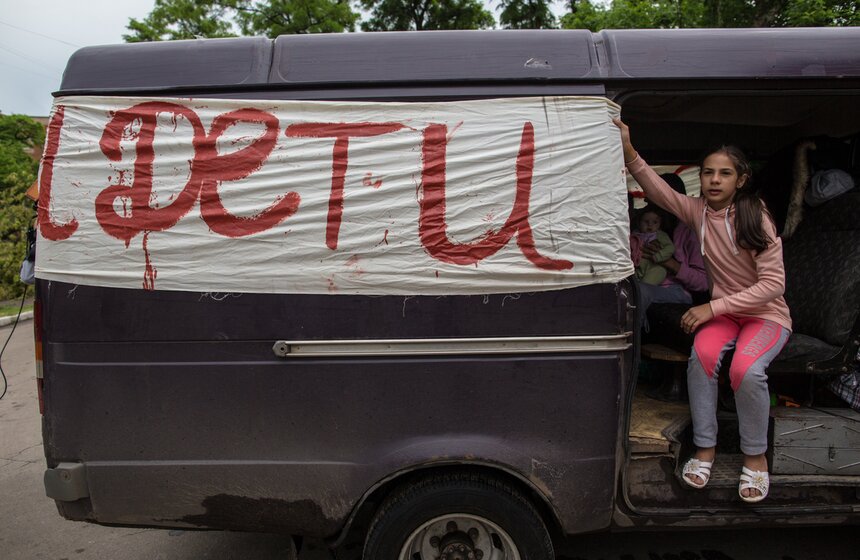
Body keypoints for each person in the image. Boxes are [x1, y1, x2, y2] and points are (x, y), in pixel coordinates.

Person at [614, 118, 792, 503]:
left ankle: (756, 457)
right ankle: (705, 450)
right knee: (702, 358)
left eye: (724, 173)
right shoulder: (698, 213)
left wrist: (714, 306)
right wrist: (629, 152)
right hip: (725, 316)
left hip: (766, 316)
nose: (714, 180)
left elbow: (773, 287)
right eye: (708, 173)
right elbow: (659, 191)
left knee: (746, 369)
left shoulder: (754, 215)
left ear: (741, 179)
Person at [637, 174, 709, 324]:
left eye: (650, 196)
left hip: (674, 290)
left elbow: (703, 282)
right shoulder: (640, 228)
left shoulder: (689, 231)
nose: (645, 200)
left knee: (638, 292)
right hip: (642, 279)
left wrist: (668, 261)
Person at [631, 205, 674, 285]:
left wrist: (658, 256)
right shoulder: (635, 234)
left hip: (655, 266)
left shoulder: (660, 235)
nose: (650, 225)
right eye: (646, 222)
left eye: (655, 222)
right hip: (638, 266)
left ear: (660, 224)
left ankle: (643, 290)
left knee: (650, 280)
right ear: (639, 223)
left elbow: (670, 248)